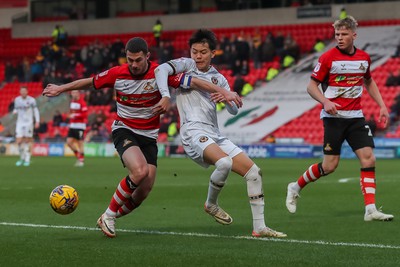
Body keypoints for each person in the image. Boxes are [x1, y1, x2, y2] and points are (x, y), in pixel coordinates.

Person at [43, 37, 241, 238]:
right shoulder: (117, 74)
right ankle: (109, 215)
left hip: (149, 136)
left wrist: (223, 91)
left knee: (144, 189)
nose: (134, 65)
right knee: (139, 171)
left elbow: (195, 82)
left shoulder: (159, 74)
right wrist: (61, 88)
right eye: (130, 60)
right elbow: (90, 82)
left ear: (147, 56)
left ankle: (109, 216)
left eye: (138, 60)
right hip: (125, 129)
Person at [154, 29, 286, 238]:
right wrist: (164, 95)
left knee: (254, 173)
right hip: (192, 131)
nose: (198, 56)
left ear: (213, 53)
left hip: (214, 133)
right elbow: (160, 70)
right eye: (194, 51)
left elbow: (234, 109)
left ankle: (259, 227)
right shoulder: (186, 66)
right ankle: (211, 204)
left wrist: (226, 99)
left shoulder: (219, 79)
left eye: (203, 52)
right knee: (224, 163)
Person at [285, 16, 394, 222]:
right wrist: (325, 101)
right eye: (337, 35)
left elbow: (369, 82)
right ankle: (295, 186)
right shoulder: (328, 58)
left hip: (356, 118)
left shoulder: (364, 58)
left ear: (354, 35)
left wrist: (382, 106)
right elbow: (311, 86)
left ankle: (370, 210)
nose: (340, 38)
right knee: (329, 166)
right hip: (334, 118)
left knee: (369, 157)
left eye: (344, 34)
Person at [13, 86, 40, 166]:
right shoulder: (17, 100)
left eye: (25, 91)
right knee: (19, 141)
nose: (23, 92)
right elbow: (16, 109)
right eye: (22, 91)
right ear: (20, 92)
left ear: (27, 92)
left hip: (29, 123)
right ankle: (22, 158)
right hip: (20, 123)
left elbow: (36, 110)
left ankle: (27, 159)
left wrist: (37, 121)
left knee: (28, 140)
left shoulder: (31, 100)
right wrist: (15, 111)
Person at [67, 90, 88, 167]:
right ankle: (78, 156)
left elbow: (85, 114)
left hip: (80, 126)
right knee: (69, 142)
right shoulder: (72, 102)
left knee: (80, 143)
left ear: (78, 93)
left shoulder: (82, 102)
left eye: (75, 92)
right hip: (72, 125)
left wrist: (75, 115)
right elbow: (71, 112)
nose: (73, 94)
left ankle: (81, 160)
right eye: (72, 93)